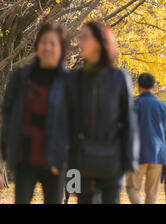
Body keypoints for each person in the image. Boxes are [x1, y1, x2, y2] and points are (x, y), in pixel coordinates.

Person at [66, 21, 139, 204]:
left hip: (112, 161)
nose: (79, 41)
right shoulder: (74, 79)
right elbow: (65, 122)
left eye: (84, 37)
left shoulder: (118, 78)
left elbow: (129, 122)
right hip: (79, 162)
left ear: (99, 42)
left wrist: (130, 160)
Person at [1, 23, 70, 204]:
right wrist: (6, 147)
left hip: (55, 158)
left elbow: (76, 121)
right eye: (43, 42)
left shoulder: (70, 81)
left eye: (52, 43)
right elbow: (7, 113)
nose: (47, 47)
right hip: (25, 154)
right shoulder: (20, 76)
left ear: (61, 48)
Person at [126, 73, 166, 204]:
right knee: (152, 192)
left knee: (132, 187)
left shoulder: (134, 104)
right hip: (158, 153)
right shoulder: (161, 106)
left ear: (138, 86)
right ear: (154, 87)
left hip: (138, 153)